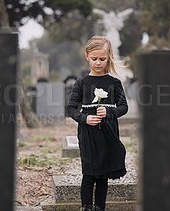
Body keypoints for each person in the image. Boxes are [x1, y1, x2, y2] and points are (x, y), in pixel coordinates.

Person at [67, 35, 128, 211]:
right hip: (88, 133)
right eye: (94, 59)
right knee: (88, 174)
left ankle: (100, 207)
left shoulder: (114, 83)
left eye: (102, 59)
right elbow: (71, 109)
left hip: (108, 132)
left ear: (108, 57)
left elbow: (124, 107)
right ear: (87, 56)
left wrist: (109, 112)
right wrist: (85, 118)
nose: (98, 63)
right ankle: (86, 207)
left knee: (103, 175)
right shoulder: (82, 83)